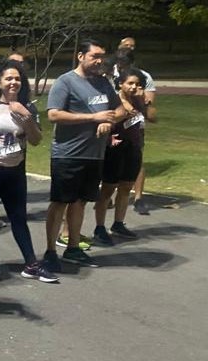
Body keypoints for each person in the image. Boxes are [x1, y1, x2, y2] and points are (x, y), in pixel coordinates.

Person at [0, 59, 57, 283]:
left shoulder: (28, 107)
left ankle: (31, 263)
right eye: (8, 78)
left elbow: (37, 140)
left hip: (15, 172)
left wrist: (26, 118)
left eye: (17, 78)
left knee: (18, 217)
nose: (13, 82)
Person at [43, 39, 122, 271]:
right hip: (68, 154)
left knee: (81, 202)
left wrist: (110, 121)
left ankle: (73, 248)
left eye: (102, 56)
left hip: (94, 154)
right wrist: (93, 118)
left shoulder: (104, 83)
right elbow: (54, 115)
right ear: (81, 56)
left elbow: (119, 109)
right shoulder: (65, 82)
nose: (99, 61)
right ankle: (50, 252)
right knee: (60, 202)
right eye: (94, 56)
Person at [92, 70, 155, 245]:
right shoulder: (114, 100)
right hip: (115, 149)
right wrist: (110, 135)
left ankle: (118, 223)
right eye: (130, 83)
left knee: (126, 187)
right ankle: (99, 227)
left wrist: (143, 102)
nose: (134, 87)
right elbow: (108, 121)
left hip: (133, 148)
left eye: (137, 84)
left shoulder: (139, 101)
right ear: (121, 84)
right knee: (107, 189)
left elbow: (153, 117)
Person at [112, 42, 156, 216]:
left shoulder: (143, 77)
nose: (122, 67)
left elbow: (150, 108)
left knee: (137, 160)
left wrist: (140, 100)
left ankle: (138, 197)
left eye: (125, 64)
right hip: (115, 124)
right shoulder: (110, 73)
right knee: (110, 160)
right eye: (120, 64)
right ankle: (107, 194)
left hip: (135, 125)